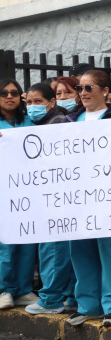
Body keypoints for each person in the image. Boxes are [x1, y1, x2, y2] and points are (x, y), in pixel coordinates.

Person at [62, 70, 111, 327]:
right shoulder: (68, 121)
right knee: (80, 252)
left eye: (89, 88)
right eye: (80, 88)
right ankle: (88, 305)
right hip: (78, 199)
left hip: (109, 198)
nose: (83, 93)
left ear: (106, 91)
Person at [22, 82, 77, 315]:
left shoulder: (56, 123)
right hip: (55, 198)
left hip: (55, 199)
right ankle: (69, 296)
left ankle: (51, 297)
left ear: (51, 102)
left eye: (38, 102)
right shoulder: (44, 122)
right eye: (29, 102)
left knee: (52, 249)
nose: (32, 107)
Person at [0, 78, 38, 311]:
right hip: (3, 190)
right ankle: (4, 289)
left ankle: (23, 289)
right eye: (4, 93)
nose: (9, 96)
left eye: (14, 92)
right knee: (6, 242)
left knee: (27, 240)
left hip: (27, 190)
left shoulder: (30, 122)